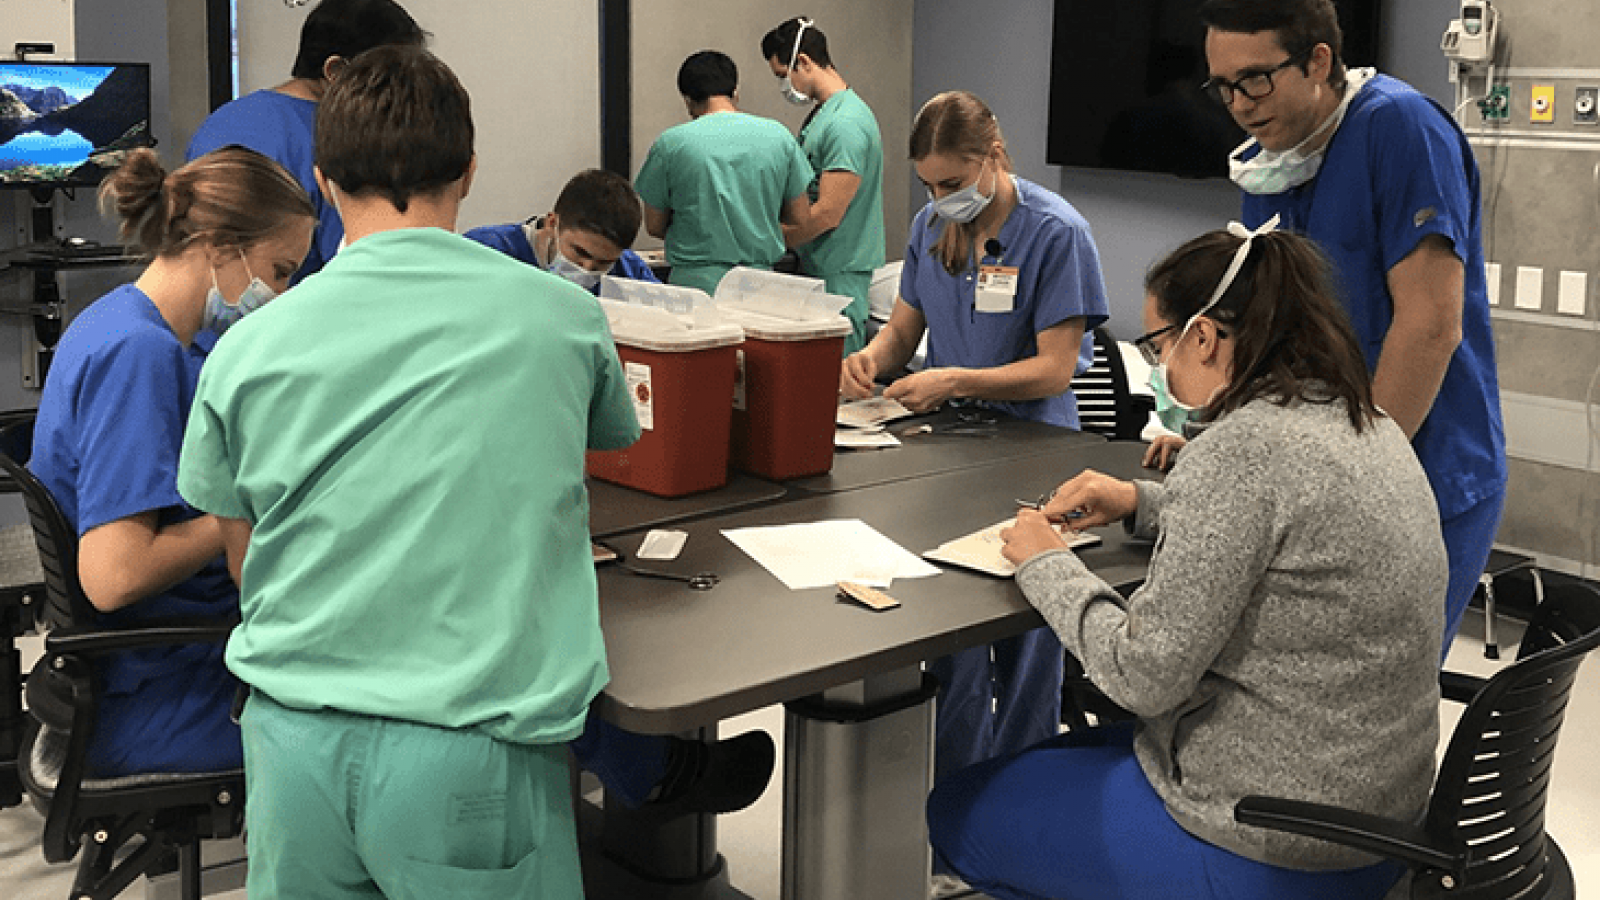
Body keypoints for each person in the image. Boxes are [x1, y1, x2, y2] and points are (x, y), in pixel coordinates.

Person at [175, 45, 742, 898]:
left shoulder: (245, 348)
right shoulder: (563, 320)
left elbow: (243, 555)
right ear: (471, 171)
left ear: (323, 181)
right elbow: (607, 445)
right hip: (467, 749)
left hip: (292, 748)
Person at [926, 222, 1447, 900]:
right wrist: (1143, 502)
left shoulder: (1242, 450)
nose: (1156, 367)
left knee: (954, 808)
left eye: (1156, 345)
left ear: (1203, 336)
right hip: (1377, 825)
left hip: (1269, 841)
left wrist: (1046, 559)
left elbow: (1141, 679)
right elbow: (1287, 529)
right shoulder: (1364, 421)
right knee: (1044, 764)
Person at [1198, 0, 1506, 655]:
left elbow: (1429, 327)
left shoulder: (1399, 128)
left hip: (1421, 468)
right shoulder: (1273, 160)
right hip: (1325, 477)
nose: (1241, 105)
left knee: (1377, 701)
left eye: (1255, 79)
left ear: (1318, 61)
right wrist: (1224, 434)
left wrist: (1356, 478)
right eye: (1224, 87)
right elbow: (1277, 326)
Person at [842, 90, 1110, 797]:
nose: (939, 199)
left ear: (992, 156)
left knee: (1025, 636)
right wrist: (871, 361)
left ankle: (1019, 797)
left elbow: (1056, 367)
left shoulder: (1056, 233)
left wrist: (956, 377)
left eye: (952, 185)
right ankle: (953, 800)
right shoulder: (935, 227)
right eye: (928, 187)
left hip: (1033, 452)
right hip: (947, 453)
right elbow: (903, 332)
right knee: (951, 633)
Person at [29, 146, 314, 777]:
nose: (284, 293)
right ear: (219, 246)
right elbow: (114, 575)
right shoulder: (139, 354)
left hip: (154, 663)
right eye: (281, 270)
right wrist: (240, 513)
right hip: (156, 694)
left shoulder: (123, 322)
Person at [186, 0, 425, 283]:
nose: (400, 96)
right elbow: (361, 272)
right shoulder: (346, 139)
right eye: (391, 80)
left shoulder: (223, 121)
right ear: (335, 71)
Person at [634, 50, 812, 296]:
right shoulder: (779, 138)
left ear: (687, 99)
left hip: (695, 287)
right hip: (762, 287)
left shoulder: (671, 144)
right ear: (735, 91)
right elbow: (800, 218)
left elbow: (654, 225)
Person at [762, 16, 885, 354]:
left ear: (803, 61)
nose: (784, 87)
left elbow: (828, 213)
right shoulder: (824, 115)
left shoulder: (846, 123)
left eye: (781, 77)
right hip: (819, 267)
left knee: (837, 379)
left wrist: (768, 242)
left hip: (839, 272)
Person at [464, 168, 659, 294]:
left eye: (603, 264)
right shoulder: (485, 252)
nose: (587, 269)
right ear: (552, 223)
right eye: (580, 252)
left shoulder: (629, 271)